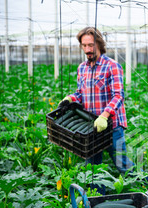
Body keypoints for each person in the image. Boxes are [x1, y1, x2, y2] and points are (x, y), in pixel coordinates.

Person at [57, 27, 134, 192]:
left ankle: (145, 190)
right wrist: (70, 99)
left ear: (99, 44)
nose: (87, 50)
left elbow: (118, 96)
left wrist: (104, 116)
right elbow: (80, 93)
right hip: (91, 128)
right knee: (92, 171)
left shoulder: (112, 66)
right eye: (84, 46)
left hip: (112, 126)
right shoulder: (82, 68)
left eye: (90, 45)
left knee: (123, 165)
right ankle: (97, 203)